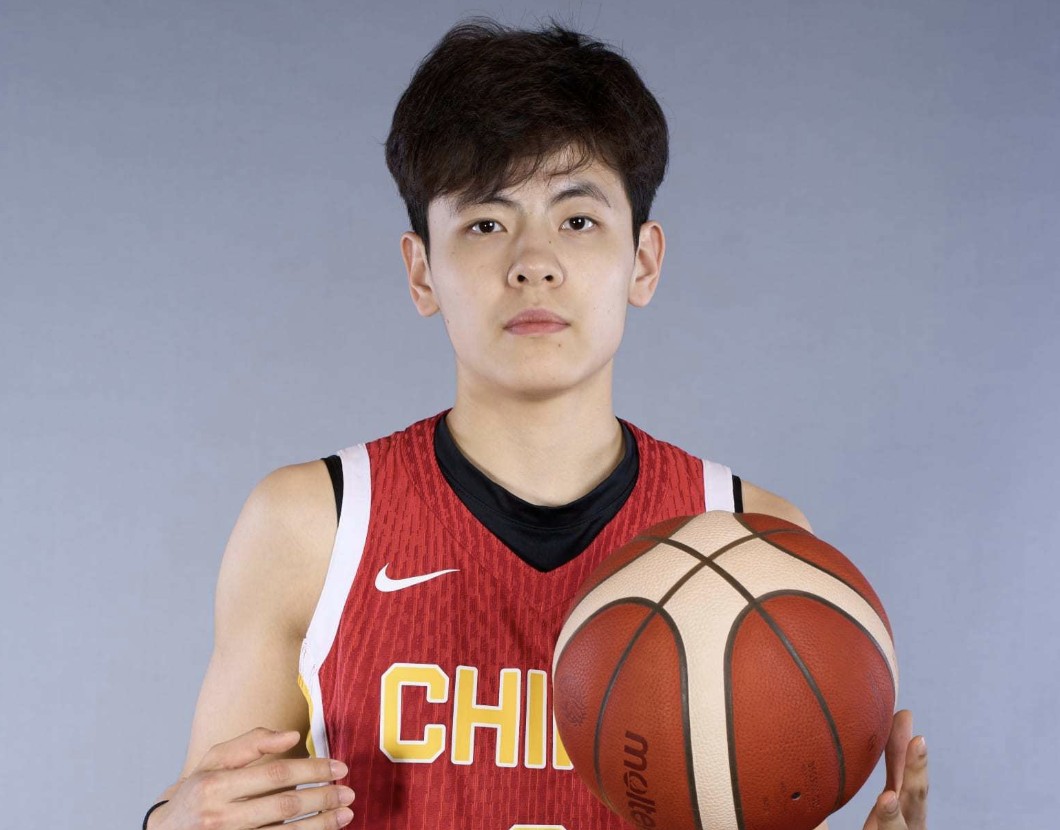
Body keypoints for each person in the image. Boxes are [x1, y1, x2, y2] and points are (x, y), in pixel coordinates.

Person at [144, 16, 929, 830]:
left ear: (644, 261)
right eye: (486, 224)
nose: (533, 263)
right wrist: (169, 825)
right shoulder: (312, 526)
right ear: (422, 271)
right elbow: (216, 811)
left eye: (577, 220)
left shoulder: (754, 536)